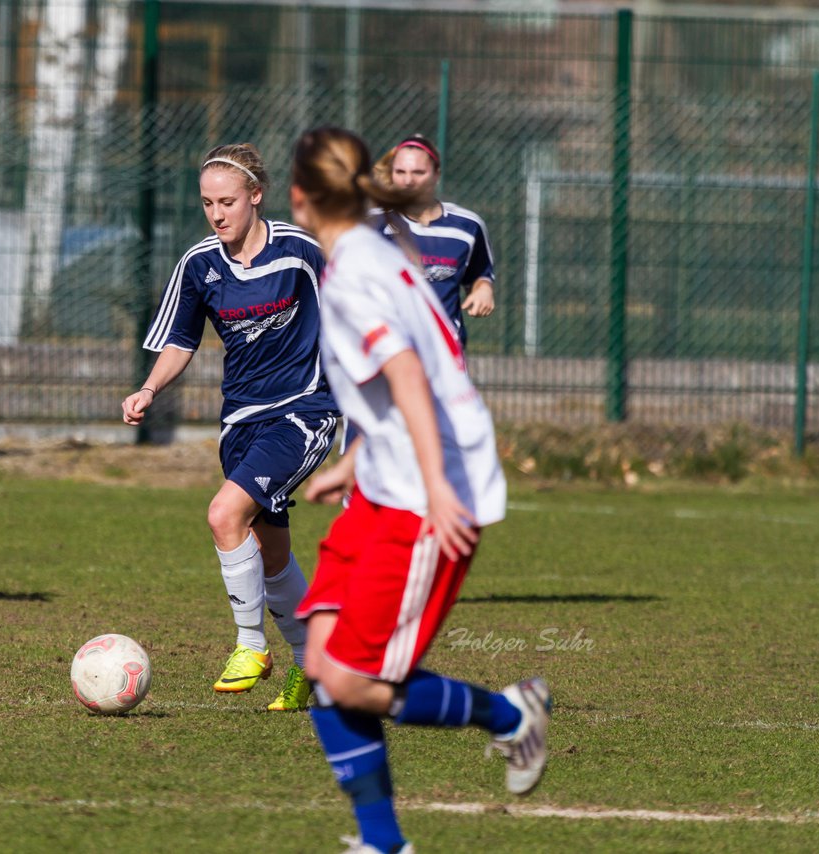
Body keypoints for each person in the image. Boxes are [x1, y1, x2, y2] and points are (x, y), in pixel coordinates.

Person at [288, 126, 549, 854]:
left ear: (298, 197)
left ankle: (510, 715)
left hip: (425, 493)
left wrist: (434, 486)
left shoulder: (351, 275)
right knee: (321, 659)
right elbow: (421, 360)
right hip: (388, 477)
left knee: (353, 681)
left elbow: (405, 370)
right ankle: (382, 842)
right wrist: (359, 455)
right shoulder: (378, 245)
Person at [122, 143, 339, 712]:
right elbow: (180, 338)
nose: (217, 214)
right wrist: (149, 389)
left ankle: (250, 645)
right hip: (241, 421)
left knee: (223, 514)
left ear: (255, 197)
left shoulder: (300, 253)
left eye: (227, 202)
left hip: (305, 410)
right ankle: (313, 660)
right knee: (270, 559)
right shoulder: (200, 263)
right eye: (207, 203)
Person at [373, 134, 495, 348]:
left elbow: (480, 276)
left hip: (447, 358)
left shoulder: (467, 226)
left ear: (437, 173)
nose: (408, 180)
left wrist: (483, 289)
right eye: (400, 172)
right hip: (389, 355)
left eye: (418, 172)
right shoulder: (372, 225)